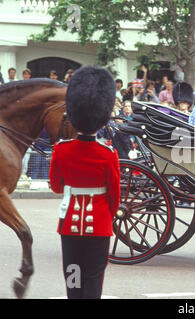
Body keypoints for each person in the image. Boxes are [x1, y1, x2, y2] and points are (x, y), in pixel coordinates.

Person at [49, 66, 121, 299]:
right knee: (93, 279)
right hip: (99, 224)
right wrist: (105, 215)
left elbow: (56, 186)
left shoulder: (61, 149)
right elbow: (115, 196)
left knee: (73, 277)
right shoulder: (108, 153)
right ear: (102, 119)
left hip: (68, 224)